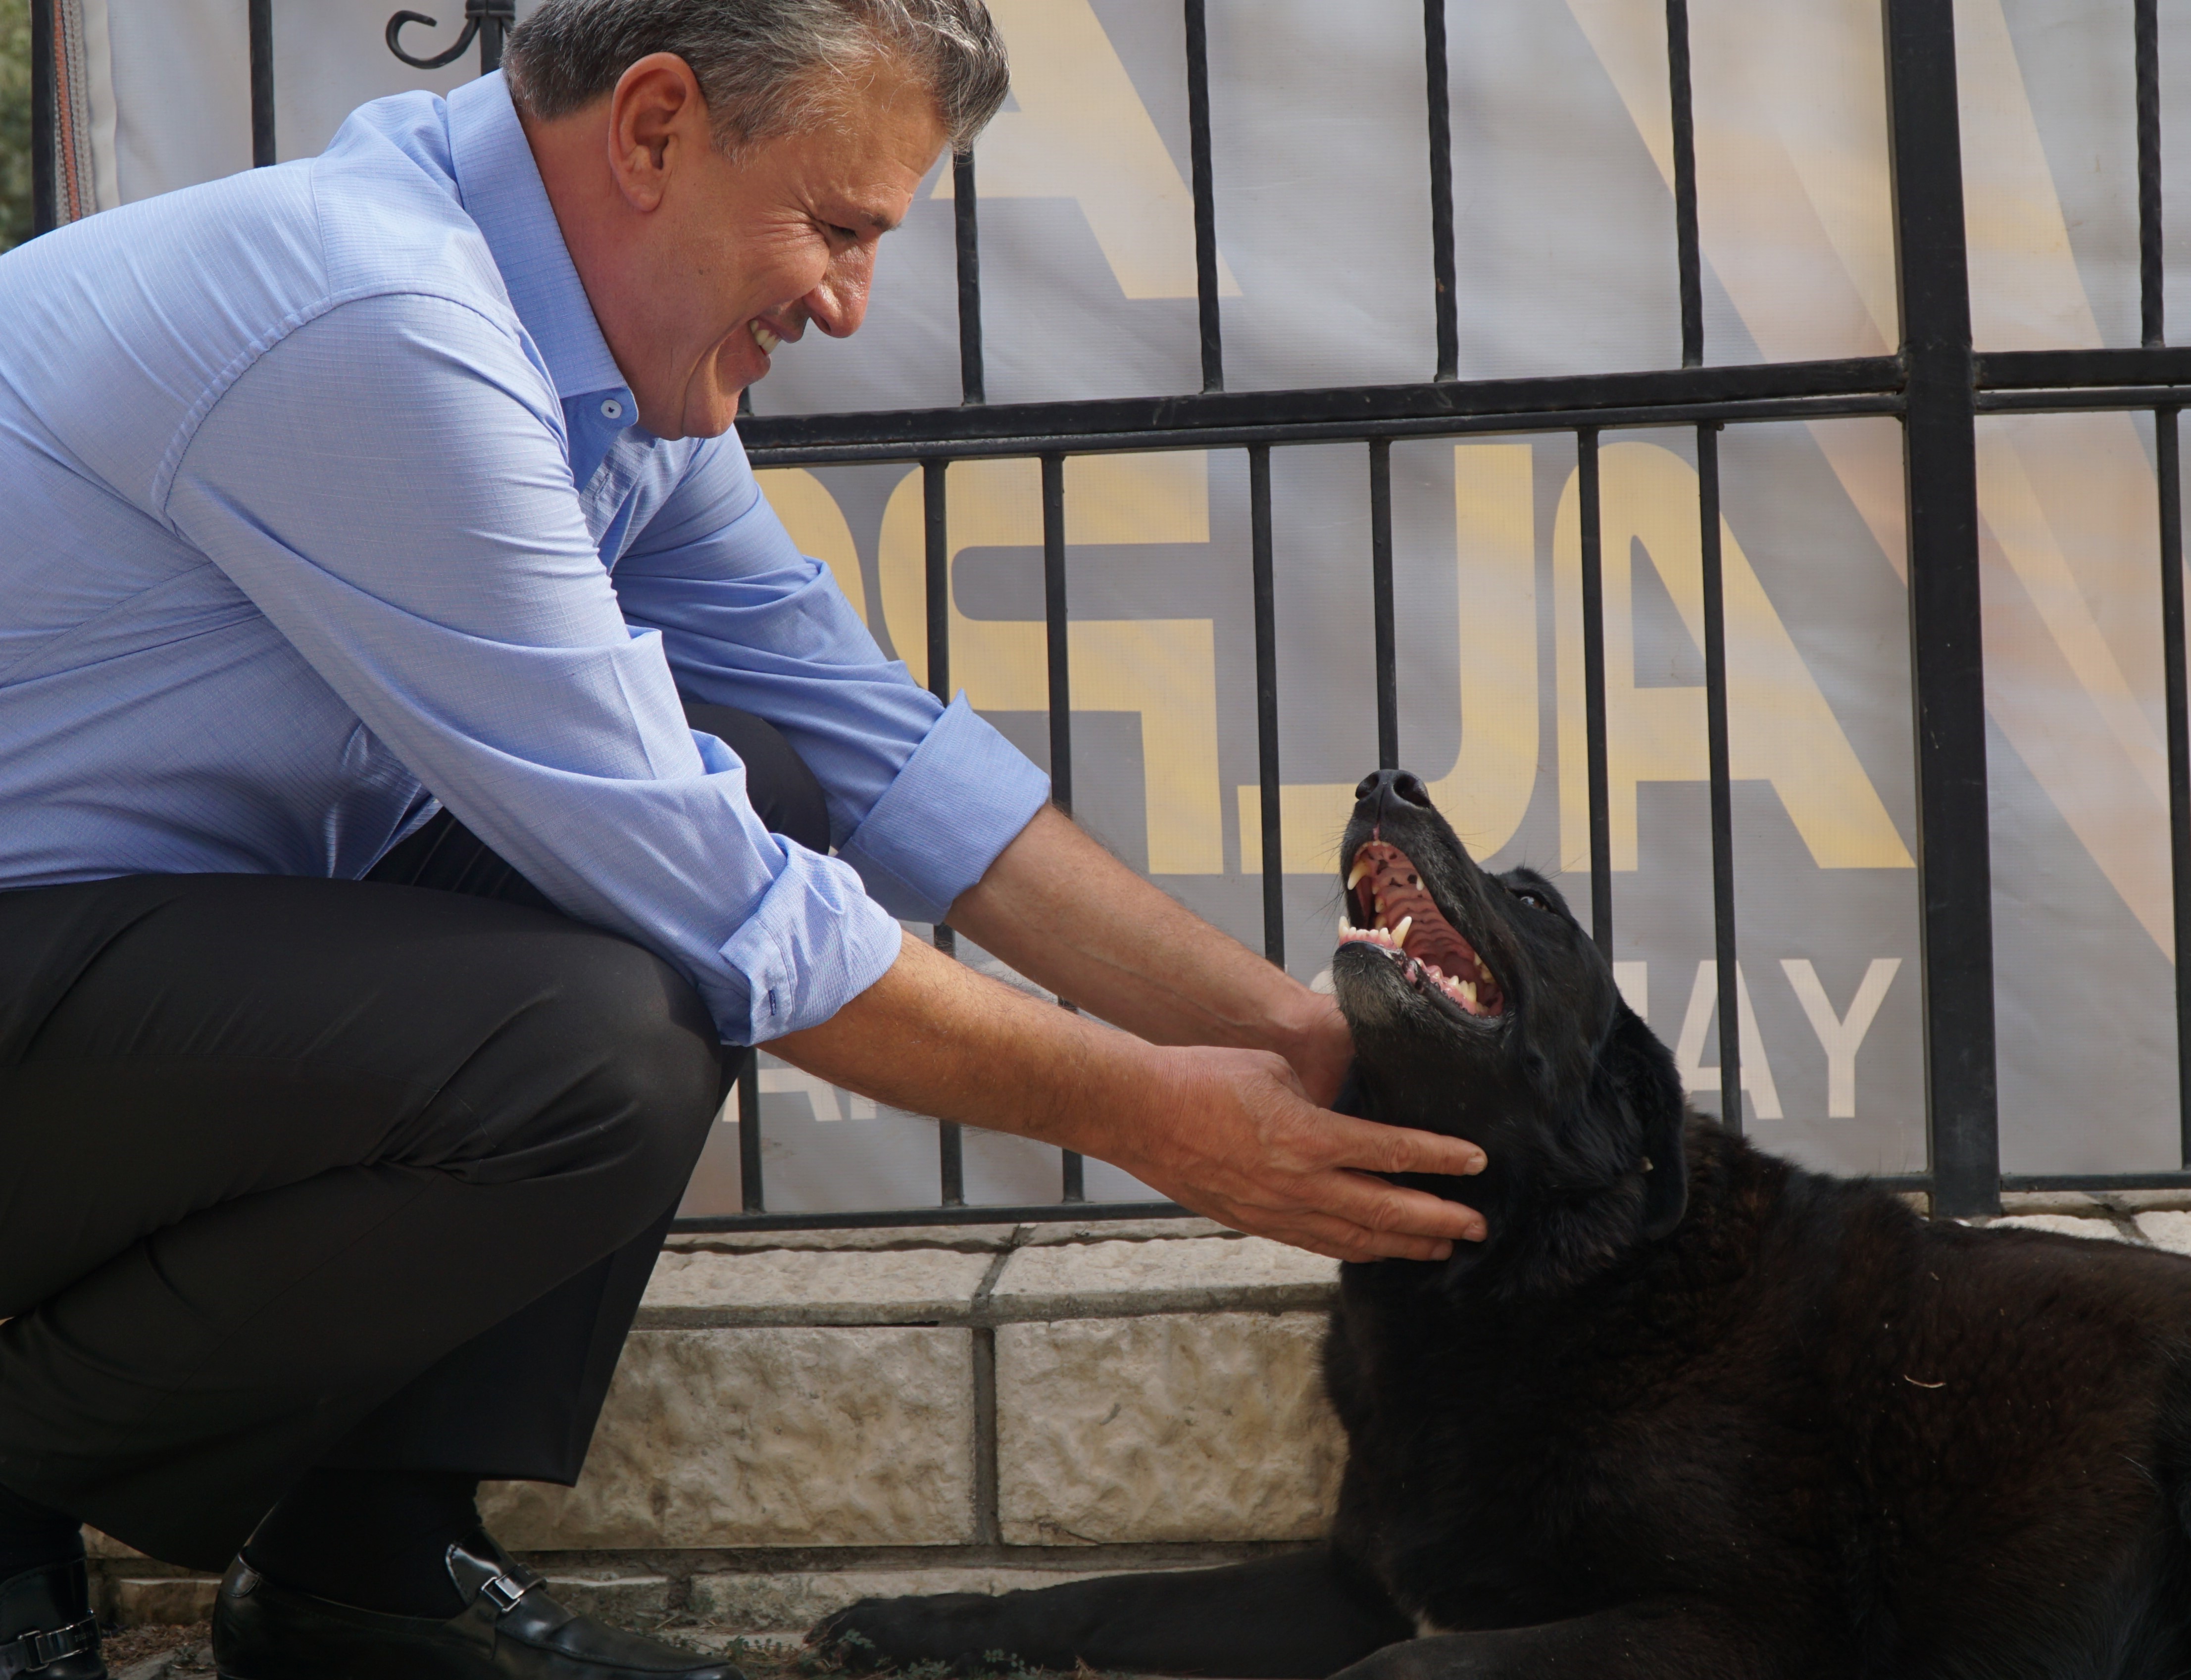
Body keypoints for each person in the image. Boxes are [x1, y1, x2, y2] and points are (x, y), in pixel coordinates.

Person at [0, 2, 1488, 1675]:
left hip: (86, 983)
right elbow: (716, 903)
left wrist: (1303, 1039)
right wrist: (1154, 1115)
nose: (847, 303)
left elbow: (874, 749)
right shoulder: (380, 324)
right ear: (652, 131)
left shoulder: (585, 357)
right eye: (837, 227)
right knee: (592, 1046)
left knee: (760, 779)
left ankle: (372, 1576)